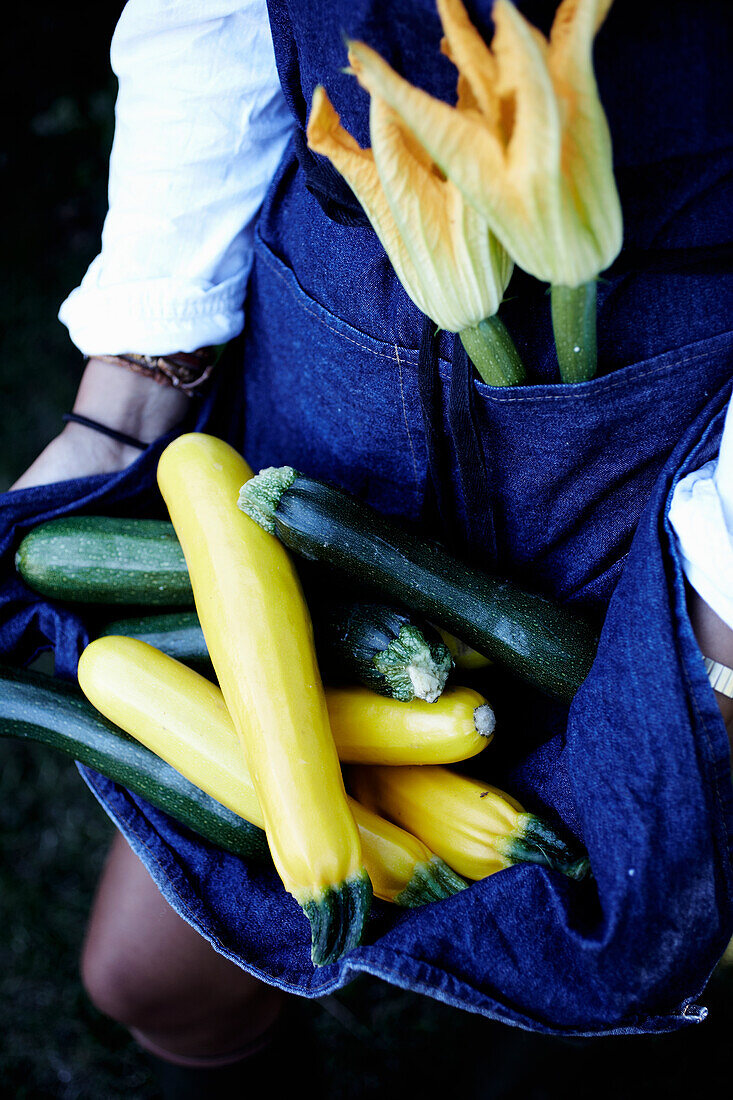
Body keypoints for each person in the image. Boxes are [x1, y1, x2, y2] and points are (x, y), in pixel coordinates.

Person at [7, 0, 733, 1094]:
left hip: (666, 489)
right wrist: (130, 387)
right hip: (333, 409)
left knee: (597, 996)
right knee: (152, 981)